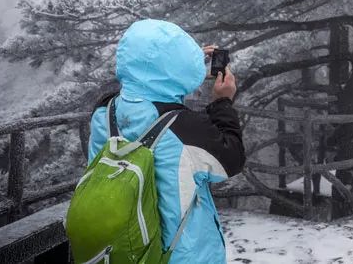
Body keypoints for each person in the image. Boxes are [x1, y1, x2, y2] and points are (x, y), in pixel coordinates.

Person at [87, 19, 245, 263]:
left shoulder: (104, 113)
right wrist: (222, 103)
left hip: (120, 250)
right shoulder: (184, 128)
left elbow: (144, 82)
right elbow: (231, 160)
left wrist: (182, 64)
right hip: (178, 256)